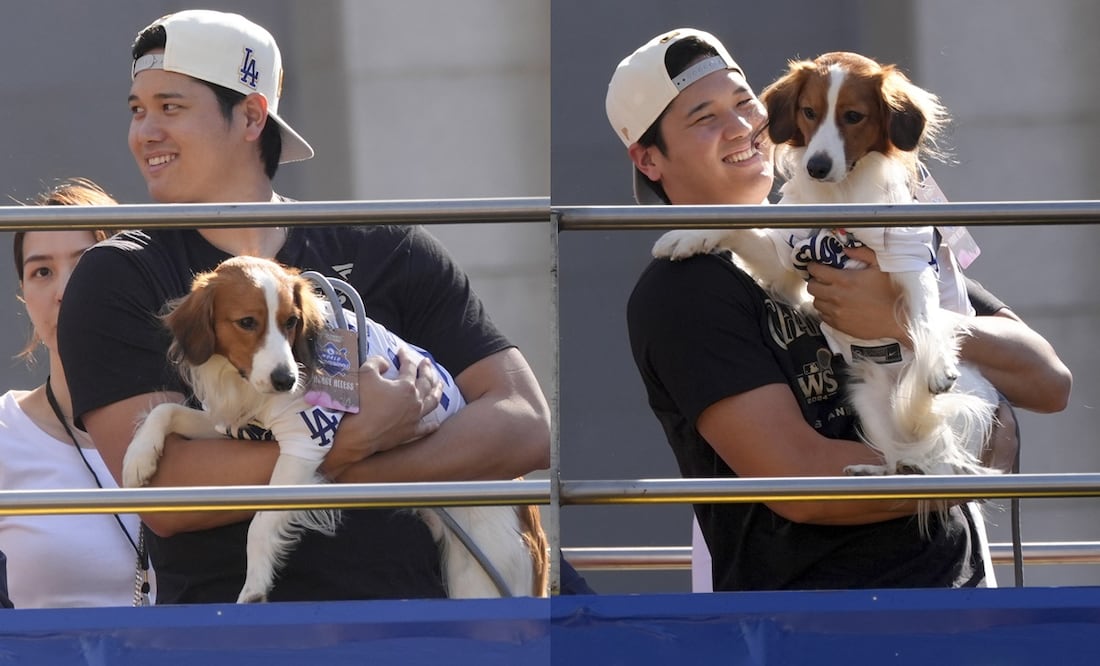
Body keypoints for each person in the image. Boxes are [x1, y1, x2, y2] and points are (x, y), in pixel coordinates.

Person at [57, 9, 550, 604]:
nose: (145, 132)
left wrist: (338, 464)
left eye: (171, 107)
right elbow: (166, 494)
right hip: (231, 636)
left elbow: (524, 423)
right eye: (137, 110)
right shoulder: (119, 273)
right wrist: (349, 442)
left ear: (251, 115)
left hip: (421, 625)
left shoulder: (385, 244)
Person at [609, 28, 1072, 591]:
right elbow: (802, 485)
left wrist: (903, 321)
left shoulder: (853, 215)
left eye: (742, 101)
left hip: (957, 602)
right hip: (817, 624)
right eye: (703, 117)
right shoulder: (682, 291)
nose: (740, 126)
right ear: (649, 160)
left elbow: (1048, 382)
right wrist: (960, 467)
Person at [0, 179, 150, 607]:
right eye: (41, 271)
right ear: (24, 296)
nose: (65, 291)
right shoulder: (5, 431)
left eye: (86, 265)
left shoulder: (197, 423)